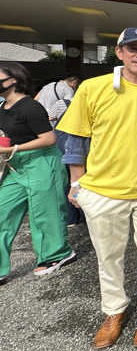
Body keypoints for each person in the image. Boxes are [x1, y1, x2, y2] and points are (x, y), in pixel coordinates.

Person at [58, 27, 137, 349]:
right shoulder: (93, 88)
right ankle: (114, 311)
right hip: (102, 188)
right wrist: (76, 182)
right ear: (120, 52)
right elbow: (76, 139)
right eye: (133, 48)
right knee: (108, 256)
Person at [0, 62, 76, 285]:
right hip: (16, 166)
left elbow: (49, 138)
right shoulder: (4, 107)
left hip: (42, 162)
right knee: (3, 210)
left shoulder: (30, 107)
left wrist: (13, 149)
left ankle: (57, 254)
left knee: (45, 214)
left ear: (13, 79)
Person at [35, 75, 82, 226]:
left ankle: (70, 218)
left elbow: (49, 117)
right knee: (82, 180)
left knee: (66, 181)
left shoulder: (53, 94)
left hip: (60, 143)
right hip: (82, 146)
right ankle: (86, 217)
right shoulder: (88, 103)